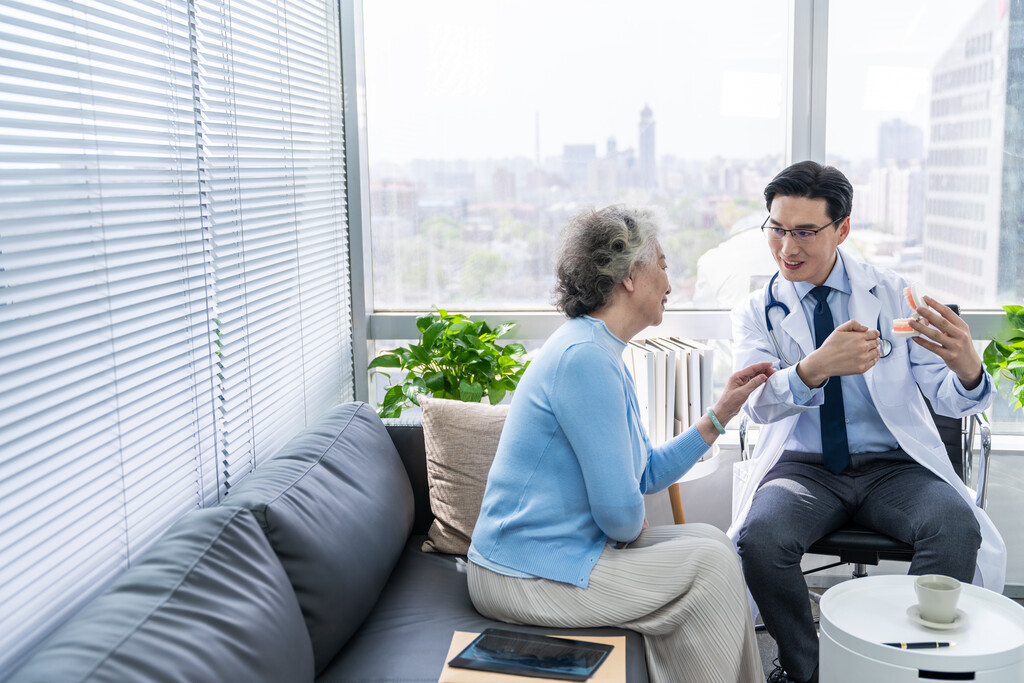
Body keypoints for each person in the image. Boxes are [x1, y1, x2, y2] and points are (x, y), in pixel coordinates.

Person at [467, 204, 774, 683]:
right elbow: (621, 515)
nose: (671, 282)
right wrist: (627, 520)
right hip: (518, 572)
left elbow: (646, 471)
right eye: (664, 264)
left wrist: (721, 413)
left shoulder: (599, 349)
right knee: (711, 567)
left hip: (561, 552)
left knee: (714, 542)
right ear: (631, 275)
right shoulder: (585, 358)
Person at [729, 160, 1007, 683]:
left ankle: (907, 663)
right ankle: (805, 668)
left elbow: (950, 400)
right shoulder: (755, 310)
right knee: (761, 539)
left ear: (843, 229)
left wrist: (968, 367)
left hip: (893, 468)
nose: (788, 248)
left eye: (806, 232)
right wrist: (814, 369)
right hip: (804, 468)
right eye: (778, 229)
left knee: (953, 526)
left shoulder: (894, 294)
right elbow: (756, 405)